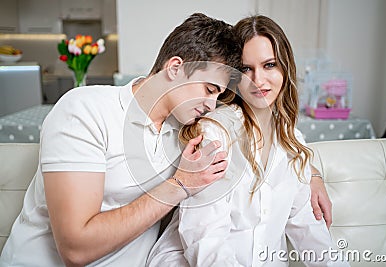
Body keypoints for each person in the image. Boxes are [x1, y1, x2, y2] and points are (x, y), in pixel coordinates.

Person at [0, 13, 242, 266]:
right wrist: (179, 185)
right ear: (175, 68)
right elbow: (75, 250)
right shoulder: (85, 110)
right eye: (209, 89)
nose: (212, 105)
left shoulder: (185, 132)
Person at [147, 15, 347, 266]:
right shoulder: (215, 133)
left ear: (285, 67)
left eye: (270, 65)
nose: (259, 80)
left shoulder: (292, 140)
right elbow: (205, 239)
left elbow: (308, 230)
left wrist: (313, 175)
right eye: (246, 69)